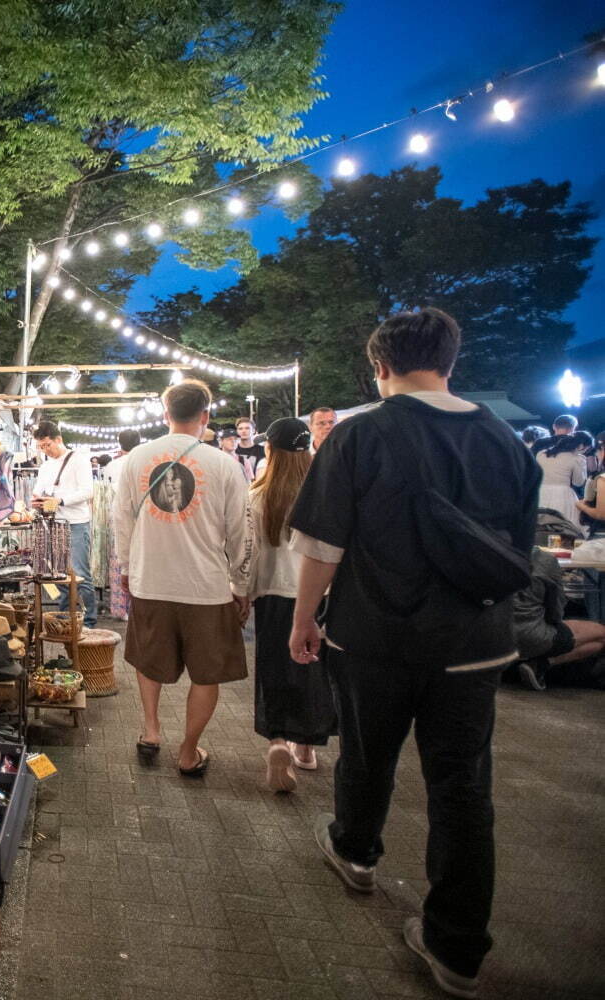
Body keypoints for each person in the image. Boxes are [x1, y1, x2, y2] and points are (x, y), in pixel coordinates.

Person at [287, 308, 539, 998]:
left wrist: (304, 620)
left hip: (376, 638)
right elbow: (522, 552)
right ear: (452, 362)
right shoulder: (506, 442)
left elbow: (321, 546)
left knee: (369, 754)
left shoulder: (360, 435)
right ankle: (457, 947)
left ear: (380, 366)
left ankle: (356, 851)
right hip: (475, 645)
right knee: (463, 788)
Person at [112, 380, 252, 777]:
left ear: (165, 413)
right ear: (205, 417)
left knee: (148, 656)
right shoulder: (225, 465)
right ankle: (188, 751)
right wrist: (241, 586)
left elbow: (122, 519)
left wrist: (126, 568)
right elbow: (241, 532)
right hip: (207, 586)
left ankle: (151, 730)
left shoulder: (138, 458)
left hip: (151, 579)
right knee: (207, 672)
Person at [248, 417, 336, 793]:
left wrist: (243, 594)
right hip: (318, 596)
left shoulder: (257, 495)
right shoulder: (325, 493)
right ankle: (306, 748)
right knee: (313, 670)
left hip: (271, 594)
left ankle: (278, 740)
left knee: (273, 668)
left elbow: (248, 553)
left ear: (270, 449)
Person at [31, 421, 98, 628]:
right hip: (53, 523)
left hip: (76, 522)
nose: (45, 450)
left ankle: (88, 620)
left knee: (80, 573)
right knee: (60, 572)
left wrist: (60, 500)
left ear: (58, 439)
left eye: (47, 445)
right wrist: (37, 500)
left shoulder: (79, 460)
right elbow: (38, 490)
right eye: (41, 447)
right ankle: (64, 615)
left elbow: (88, 491)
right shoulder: (46, 465)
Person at [510, 547, 605, 690]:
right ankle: (542, 663)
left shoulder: (479, 551)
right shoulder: (545, 560)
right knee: (601, 635)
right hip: (529, 637)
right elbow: (555, 615)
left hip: (483, 634)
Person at [102, 429, 140, 621]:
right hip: (141, 518)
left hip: (115, 517)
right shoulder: (143, 462)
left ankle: (119, 607)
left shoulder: (112, 466)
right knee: (140, 560)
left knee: (119, 561)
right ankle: (138, 604)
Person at [535, 430, 589, 528]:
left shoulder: (541, 454)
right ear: (581, 446)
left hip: (541, 492)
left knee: (540, 524)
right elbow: (578, 482)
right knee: (564, 525)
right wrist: (582, 464)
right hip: (562, 494)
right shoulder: (577, 458)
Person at [233, 417, 264, 482]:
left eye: (247, 428)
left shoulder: (262, 451)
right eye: (240, 428)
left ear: (254, 431)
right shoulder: (233, 451)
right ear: (237, 431)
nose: (243, 431)